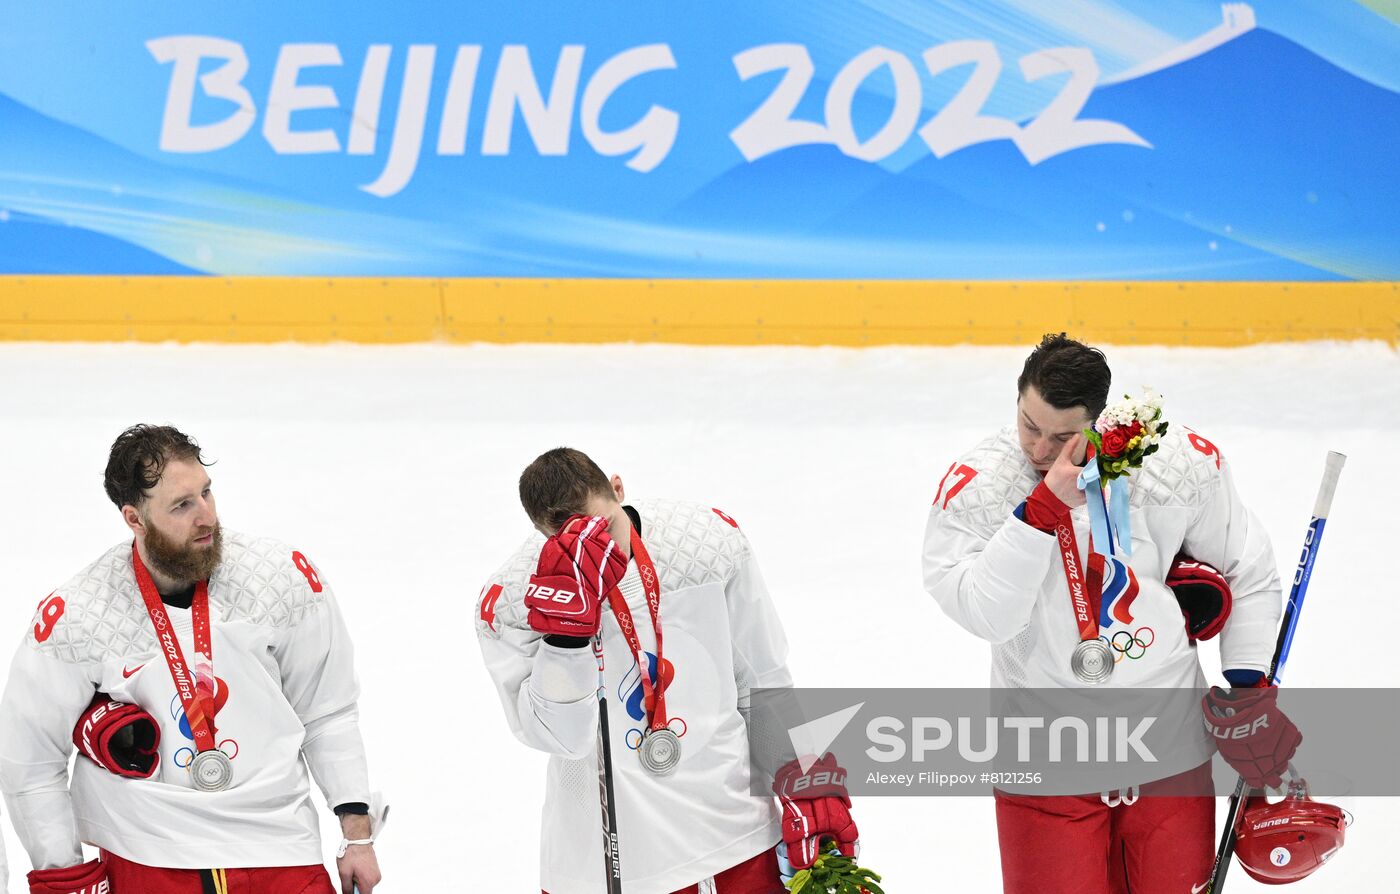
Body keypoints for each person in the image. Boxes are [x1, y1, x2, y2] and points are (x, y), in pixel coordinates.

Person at [921, 334, 1300, 894]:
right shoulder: (983, 485)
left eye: (1062, 435)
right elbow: (986, 612)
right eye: (1029, 424)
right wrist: (1039, 513)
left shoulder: (1179, 466)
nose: (1039, 450)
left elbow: (1249, 568)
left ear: (1098, 421)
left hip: (1170, 752)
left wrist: (1246, 683)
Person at [0, 424, 384, 894]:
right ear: (134, 519)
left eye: (206, 493)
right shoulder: (80, 615)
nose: (206, 517)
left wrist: (355, 833)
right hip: (147, 854)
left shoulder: (279, 579)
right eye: (181, 506)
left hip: (277, 848)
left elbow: (328, 710)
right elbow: (31, 758)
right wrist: (62, 873)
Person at [476, 447, 858, 894]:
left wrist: (799, 774)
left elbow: (761, 679)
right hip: (608, 870)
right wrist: (566, 641)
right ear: (542, 534)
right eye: (577, 544)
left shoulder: (705, 541)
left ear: (618, 490)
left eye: (607, 530)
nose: (604, 557)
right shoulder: (511, 600)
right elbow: (562, 738)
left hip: (739, 839)